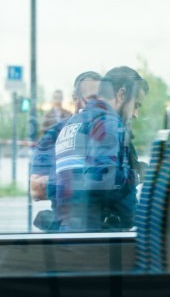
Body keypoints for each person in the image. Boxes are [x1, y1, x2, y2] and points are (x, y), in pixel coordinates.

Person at [54, 66, 149, 232]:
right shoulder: (108, 123)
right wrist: (135, 175)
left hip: (70, 230)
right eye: (136, 105)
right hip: (96, 236)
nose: (136, 114)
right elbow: (103, 182)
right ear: (121, 95)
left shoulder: (73, 124)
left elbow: (53, 186)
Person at [29, 70, 101, 231]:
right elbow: (35, 189)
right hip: (71, 228)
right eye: (92, 99)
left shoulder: (110, 132)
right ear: (76, 100)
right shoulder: (55, 133)